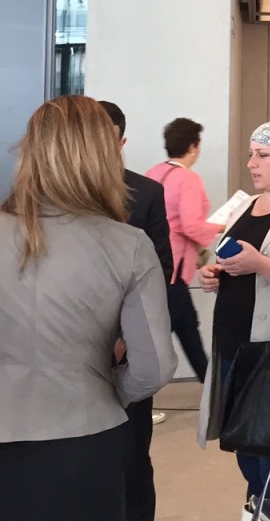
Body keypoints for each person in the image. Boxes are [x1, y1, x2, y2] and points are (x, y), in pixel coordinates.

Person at [0, 96, 177, 521]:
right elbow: (154, 366)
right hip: (86, 434)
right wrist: (105, 388)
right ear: (106, 154)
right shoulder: (128, 245)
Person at [196, 119, 270, 509]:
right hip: (234, 346)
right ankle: (261, 509)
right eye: (251, 154)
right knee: (245, 450)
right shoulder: (243, 205)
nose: (252, 163)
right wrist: (216, 273)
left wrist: (260, 265)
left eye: (263, 155)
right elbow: (226, 256)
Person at [99, 100, 173, 521]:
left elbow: (160, 268)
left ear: (120, 140)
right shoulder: (43, 195)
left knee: (131, 461)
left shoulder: (146, 192)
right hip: (68, 355)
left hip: (126, 351)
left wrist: (128, 337)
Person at [146, 117, 222, 380]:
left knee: (186, 327)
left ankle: (211, 383)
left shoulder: (153, 173)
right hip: (174, 268)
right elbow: (192, 226)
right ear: (193, 147)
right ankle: (212, 385)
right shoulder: (187, 179)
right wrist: (225, 227)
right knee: (173, 331)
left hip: (152, 263)